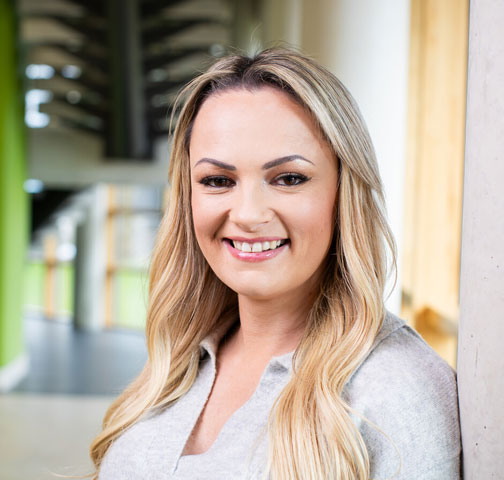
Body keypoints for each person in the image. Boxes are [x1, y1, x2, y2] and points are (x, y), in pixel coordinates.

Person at [90, 48, 461, 479]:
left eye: (288, 179)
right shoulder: (182, 361)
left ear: (343, 193)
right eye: (217, 181)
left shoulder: (398, 390)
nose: (247, 214)